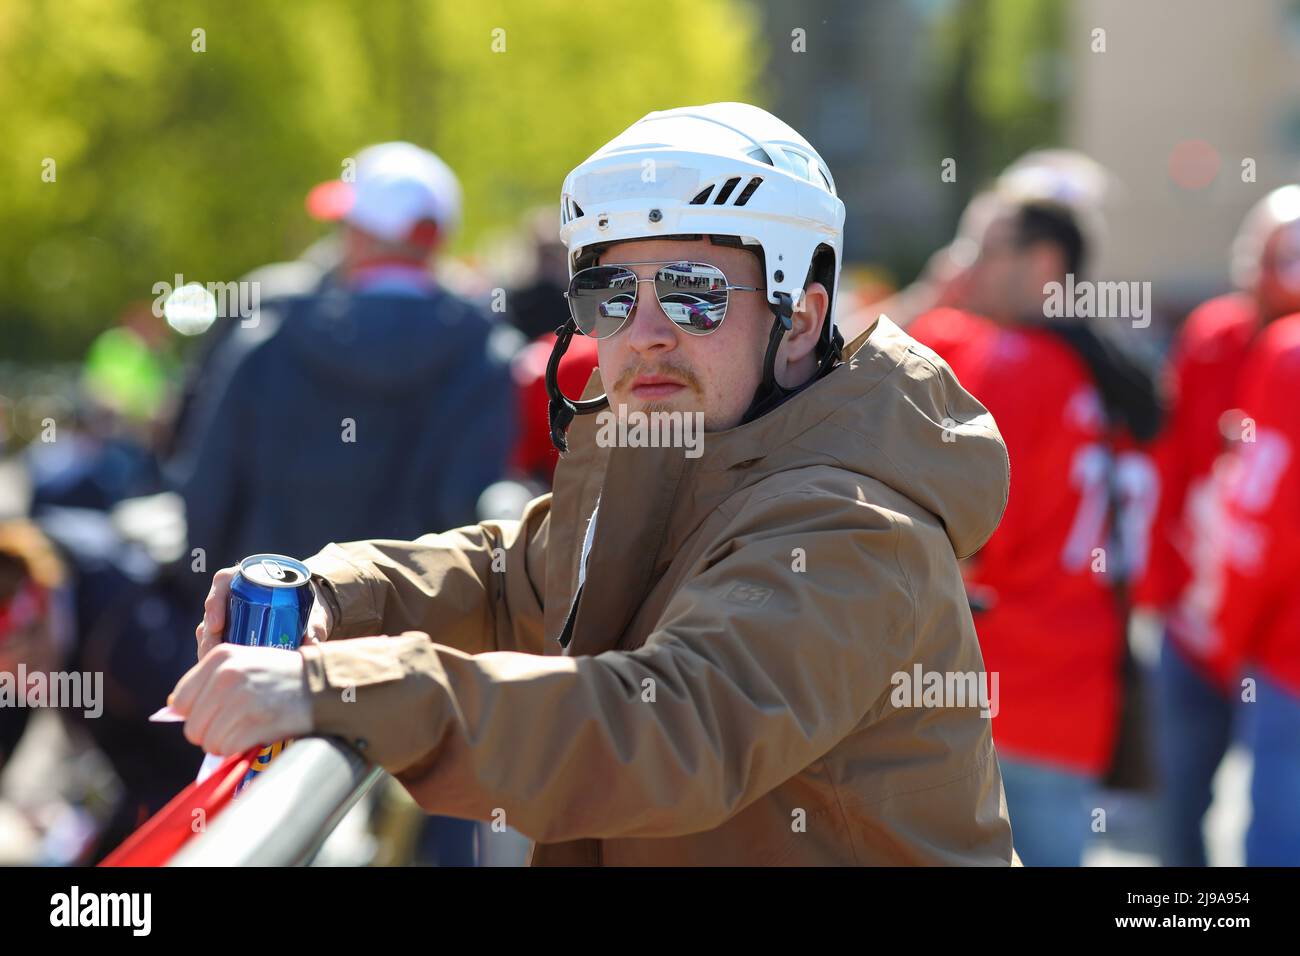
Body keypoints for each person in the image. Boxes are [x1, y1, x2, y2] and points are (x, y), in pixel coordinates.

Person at [170, 103, 1018, 866]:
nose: (643, 334)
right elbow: (515, 580)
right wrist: (330, 593)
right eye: (611, 294)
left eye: (693, 295)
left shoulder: (850, 522)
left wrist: (344, 690)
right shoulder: (674, 457)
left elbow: (671, 727)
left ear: (798, 320)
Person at [930, 192, 1163, 866]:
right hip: (1082, 693)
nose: (966, 266)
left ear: (1043, 264)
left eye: (985, 249)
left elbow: (958, 540)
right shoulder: (1124, 376)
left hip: (994, 688)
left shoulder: (1008, 363)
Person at [168, 141, 518, 578]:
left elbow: (209, 494)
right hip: (412, 634)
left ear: (358, 235)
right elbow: (466, 511)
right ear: (437, 239)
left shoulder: (269, 333)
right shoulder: (486, 354)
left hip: (268, 622)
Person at [1142, 184, 1300, 865]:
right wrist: (1163, 595)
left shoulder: (1285, 355)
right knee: (1176, 803)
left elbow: (1266, 516)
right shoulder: (1216, 337)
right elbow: (1171, 469)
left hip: (1268, 628)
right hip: (1199, 615)